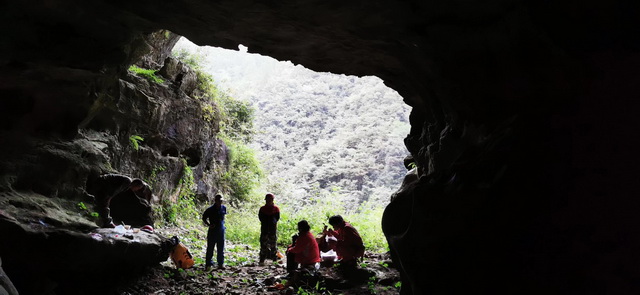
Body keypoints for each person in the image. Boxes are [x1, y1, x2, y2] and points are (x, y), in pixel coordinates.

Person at [86, 174, 151, 228]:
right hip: (102, 184)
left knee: (103, 203)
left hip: (103, 184)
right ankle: (106, 222)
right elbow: (116, 190)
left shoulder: (128, 184)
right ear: (136, 185)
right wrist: (109, 197)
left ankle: (105, 221)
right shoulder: (127, 182)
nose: (137, 190)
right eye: (138, 188)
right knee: (104, 204)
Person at [202, 194, 227, 270]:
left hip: (221, 230)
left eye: (221, 201)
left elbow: (223, 218)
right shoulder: (210, 209)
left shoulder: (223, 208)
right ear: (215, 201)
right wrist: (209, 225)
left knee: (221, 247)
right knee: (210, 247)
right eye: (219, 201)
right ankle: (208, 264)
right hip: (213, 230)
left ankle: (220, 264)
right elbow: (204, 218)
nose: (220, 202)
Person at [258, 193, 280, 265]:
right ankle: (262, 259)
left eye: (269, 200)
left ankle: (274, 259)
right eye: (267, 200)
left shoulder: (276, 209)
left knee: (273, 245)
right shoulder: (262, 209)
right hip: (264, 229)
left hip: (272, 229)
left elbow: (277, 218)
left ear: (272, 200)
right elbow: (260, 218)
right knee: (263, 245)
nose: (268, 201)